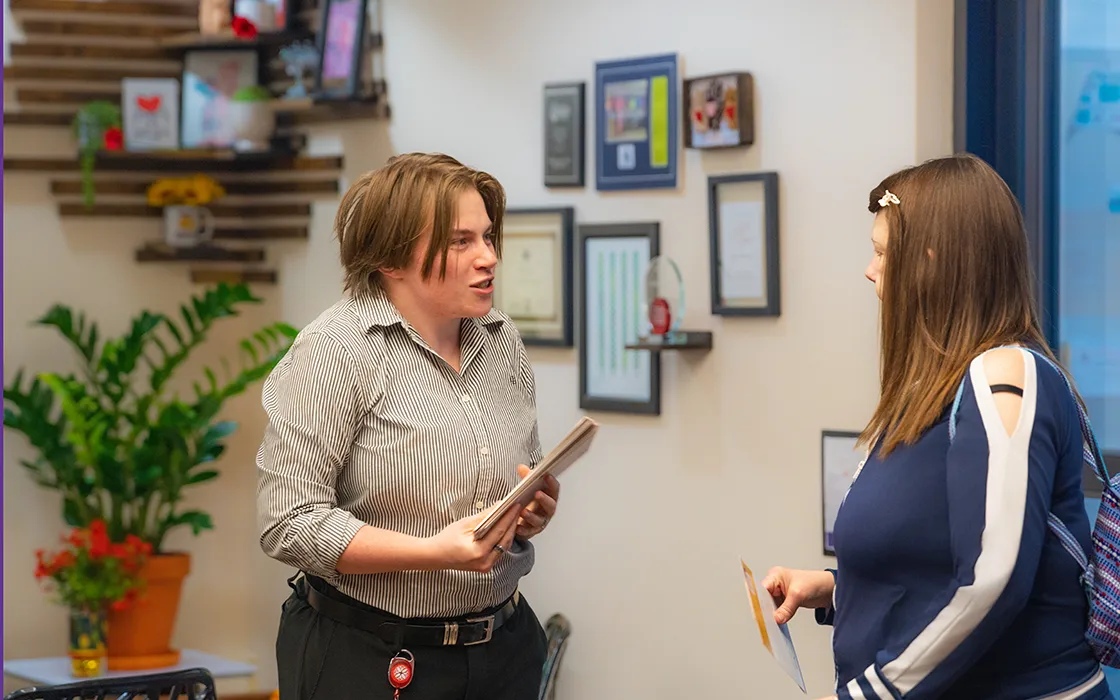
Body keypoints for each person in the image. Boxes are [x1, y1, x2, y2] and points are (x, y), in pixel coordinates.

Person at [763, 154, 1114, 700]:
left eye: (881, 251)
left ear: (929, 260)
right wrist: (838, 590)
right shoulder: (935, 386)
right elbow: (935, 557)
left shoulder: (1006, 374)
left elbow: (993, 581)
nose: (869, 269)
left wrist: (874, 692)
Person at [255, 152, 560, 700]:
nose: (488, 257)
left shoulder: (501, 340)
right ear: (392, 259)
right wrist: (434, 553)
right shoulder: (334, 350)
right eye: (461, 241)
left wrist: (529, 511)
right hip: (372, 657)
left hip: (504, 648)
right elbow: (288, 524)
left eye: (488, 237)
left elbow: (514, 477)